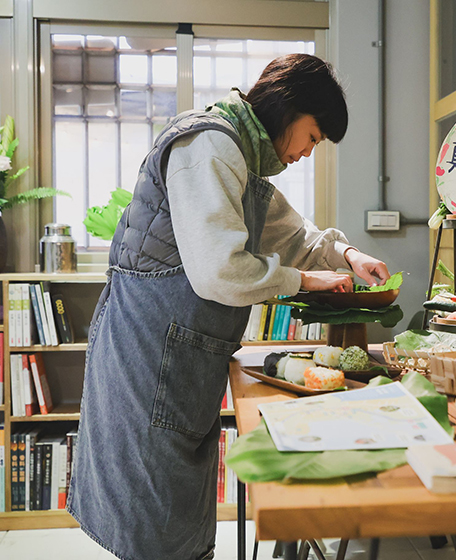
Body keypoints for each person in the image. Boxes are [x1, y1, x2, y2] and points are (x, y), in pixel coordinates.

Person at [66, 53, 389, 560]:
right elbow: (220, 269)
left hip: (182, 359)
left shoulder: (244, 157)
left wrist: (347, 254)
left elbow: (294, 234)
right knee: (156, 526)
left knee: (174, 518)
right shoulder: (211, 146)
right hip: (149, 356)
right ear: (290, 109)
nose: (308, 153)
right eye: (313, 137)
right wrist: (304, 279)